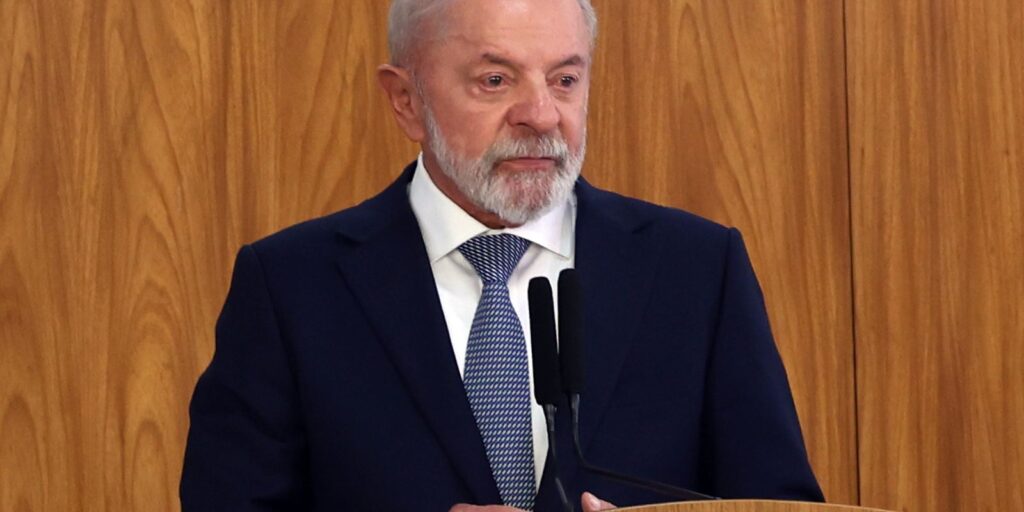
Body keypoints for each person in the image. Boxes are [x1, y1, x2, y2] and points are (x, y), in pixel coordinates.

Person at [179, 0, 825, 510]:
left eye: (565, 79)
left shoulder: (697, 272)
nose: (542, 115)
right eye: (495, 80)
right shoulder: (291, 288)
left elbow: (780, 506)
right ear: (406, 100)